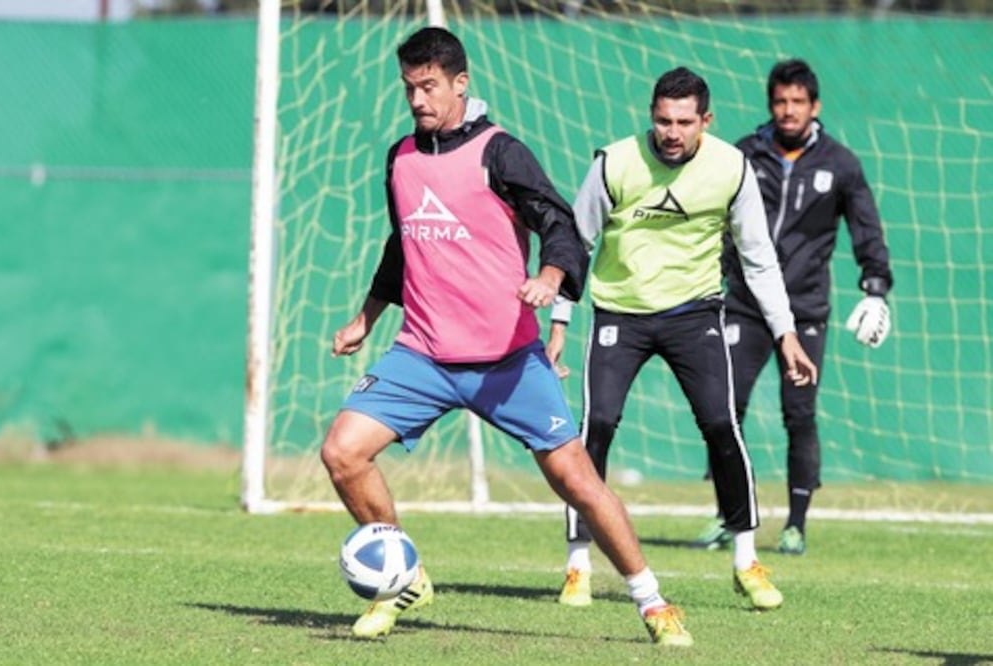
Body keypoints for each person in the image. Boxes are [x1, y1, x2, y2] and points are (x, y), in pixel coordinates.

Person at [320, 27, 692, 647]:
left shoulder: (501, 151)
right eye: (409, 88)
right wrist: (367, 317)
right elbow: (402, 244)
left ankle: (652, 601)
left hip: (506, 360)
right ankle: (402, 579)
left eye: (429, 86)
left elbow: (560, 223)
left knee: (575, 478)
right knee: (342, 452)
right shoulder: (401, 157)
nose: (417, 99)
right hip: (422, 353)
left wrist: (551, 275)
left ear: (461, 83)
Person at [547, 66, 818, 611]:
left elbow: (759, 259)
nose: (672, 132)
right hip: (619, 313)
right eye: (663, 121)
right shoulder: (614, 164)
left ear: (705, 121)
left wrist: (786, 334)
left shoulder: (731, 168)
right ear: (652, 117)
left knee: (722, 423)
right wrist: (558, 326)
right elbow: (574, 243)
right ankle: (578, 564)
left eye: (684, 122)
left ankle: (746, 560)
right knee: (594, 427)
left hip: (695, 314)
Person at [693, 59, 893, 556]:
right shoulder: (743, 154)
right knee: (723, 410)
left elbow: (866, 227)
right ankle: (729, 515)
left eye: (797, 102)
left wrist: (875, 287)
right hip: (743, 304)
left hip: (804, 310)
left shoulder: (840, 164)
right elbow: (711, 216)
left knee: (798, 414)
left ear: (814, 106)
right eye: (780, 101)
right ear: (770, 104)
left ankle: (796, 525)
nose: (788, 110)